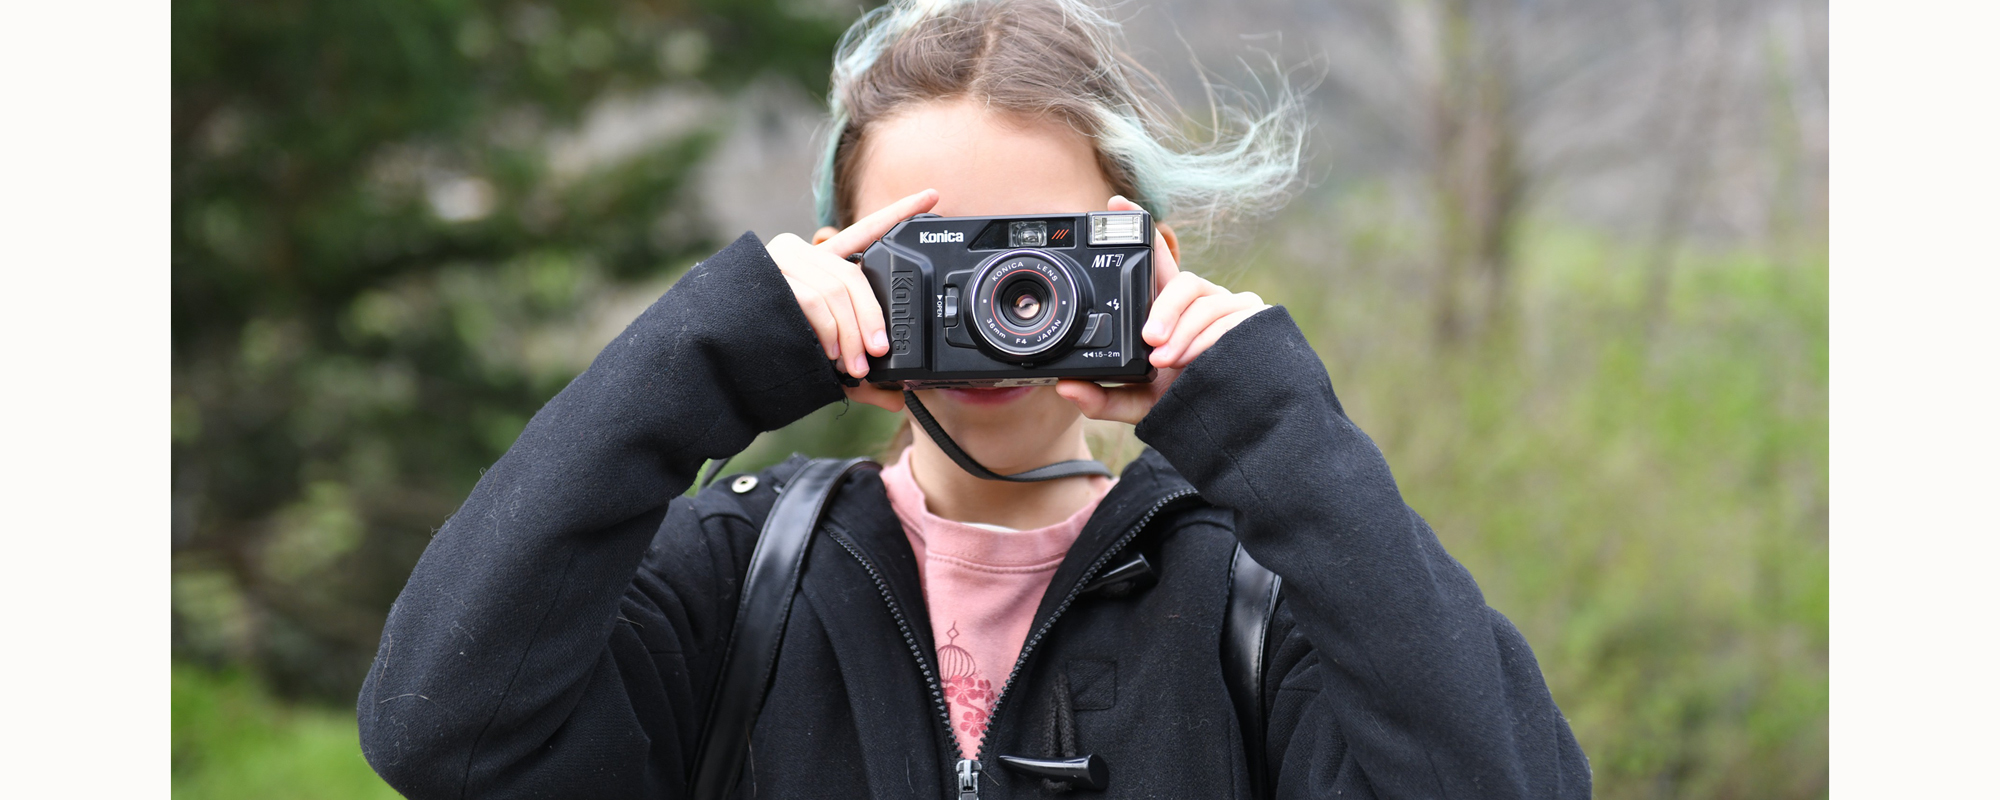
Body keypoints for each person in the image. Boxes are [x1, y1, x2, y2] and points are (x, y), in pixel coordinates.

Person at [357, 1, 1591, 797]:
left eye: (1043, 257)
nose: (1002, 305)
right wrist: (702, 356)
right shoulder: (737, 574)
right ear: (837, 265)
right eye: (936, 260)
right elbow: (439, 733)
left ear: (1144, 250)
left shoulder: (1256, 600)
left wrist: (1269, 428)